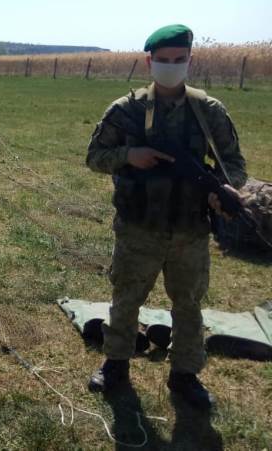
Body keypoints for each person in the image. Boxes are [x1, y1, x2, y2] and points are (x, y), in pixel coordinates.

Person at [85, 24, 247, 410]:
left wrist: (221, 190)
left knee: (188, 305)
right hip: (138, 229)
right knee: (126, 299)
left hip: (190, 231)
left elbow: (235, 167)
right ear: (149, 62)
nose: (171, 66)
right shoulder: (126, 110)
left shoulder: (209, 112)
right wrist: (129, 156)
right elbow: (94, 158)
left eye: (179, 60)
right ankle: (116, 364)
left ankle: (185, 374)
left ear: (189, 60)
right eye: (163, 60)